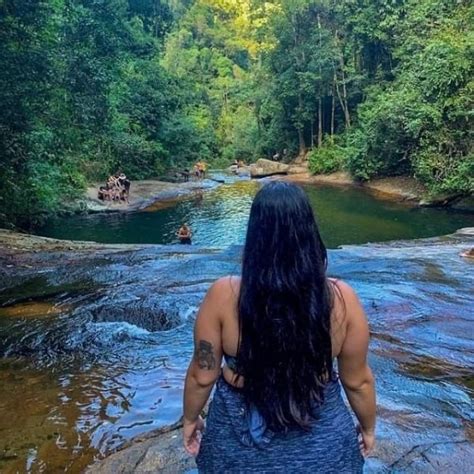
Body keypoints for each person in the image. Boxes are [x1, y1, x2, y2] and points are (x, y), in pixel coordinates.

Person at [183, 181, 376, 472]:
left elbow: (202, 373)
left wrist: (190, 419)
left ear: (255, 233)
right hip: (323, 445)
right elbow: (358, 381)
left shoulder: (223, 295)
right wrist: (368, 427)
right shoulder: (341, 298)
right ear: (309, 231)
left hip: (239, 446)